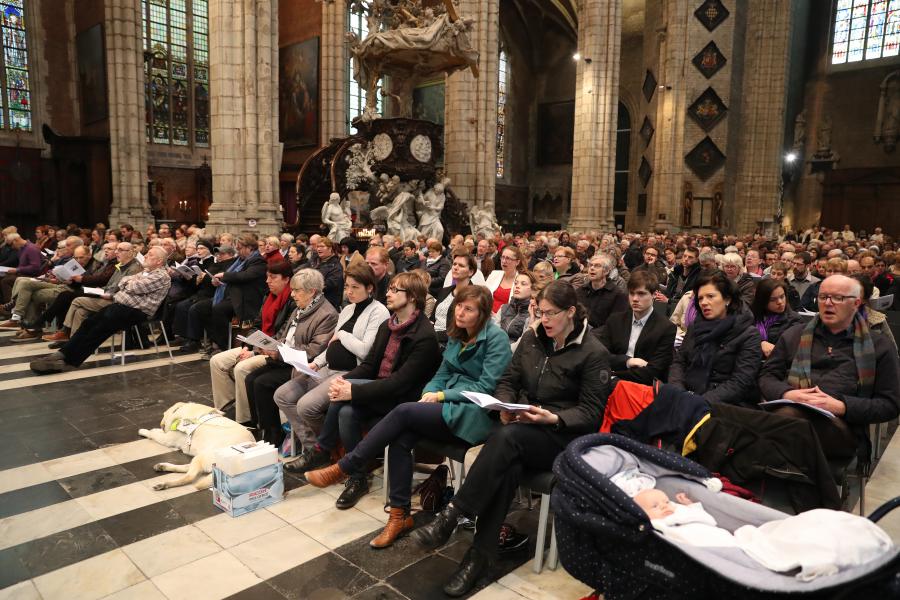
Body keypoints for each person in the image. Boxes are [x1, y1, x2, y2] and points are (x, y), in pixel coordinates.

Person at [408, 281, 612, 597]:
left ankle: (453, 515)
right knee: (507, 466)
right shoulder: (533, 340)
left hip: (563, 437)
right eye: (539, 312)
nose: (544, 319)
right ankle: (477, 560)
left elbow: (590, 413)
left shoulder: (593, 352)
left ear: (571, 312)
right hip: (525, 427)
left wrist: (553, 417)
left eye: (551, 313)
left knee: (508, 439)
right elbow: (507, 381)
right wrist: (503, 406)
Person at [305, 286, 512, 542]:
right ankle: (399, 514)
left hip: (473, 412)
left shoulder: (496, 338)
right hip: (443, 404)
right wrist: (431, 392)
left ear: (483, 314)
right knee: (401, 437)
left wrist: (442, 396)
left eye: (468, 309)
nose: (460, 312)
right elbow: (442, 373)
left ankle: (347, 466)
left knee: (403, 412)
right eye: (458, 306)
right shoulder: (458, 334)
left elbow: (486, 387)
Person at [292, 271, 441, 506]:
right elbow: (370, 366)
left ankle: (323, 448)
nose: (388, 293)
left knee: (343, 397)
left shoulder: (424, 336)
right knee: (346, 410)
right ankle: (358, 477)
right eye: (389, 288)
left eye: (395, 290)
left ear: (412, 297)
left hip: (403, 400)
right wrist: (345, 382)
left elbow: (400, 383)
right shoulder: (388, 325)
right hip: (379, 392)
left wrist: (352, 390)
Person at [760, 274, 900, 460]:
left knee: (784, 421)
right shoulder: (794, 335)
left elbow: (890, 404)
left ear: (856, 303)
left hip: (843, 427)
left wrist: (841, 406)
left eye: (838, 298)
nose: (828, 303)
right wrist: (787, 394)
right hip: (789, 415)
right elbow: (767, 376)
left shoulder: (879, 346)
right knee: (787, 418)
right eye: (823, 296)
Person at [275, 264, 389, 470]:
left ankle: (327, 449)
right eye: (347, 287)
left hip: (352, 371)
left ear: (370, 288)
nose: (349, 292)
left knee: (306, 406)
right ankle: (313, 448)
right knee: (282, 395)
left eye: (355, 287)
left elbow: (364, 352)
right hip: (328, 367)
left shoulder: (379, 312)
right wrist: (315, 363)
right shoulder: (347, 309)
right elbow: (331, 346)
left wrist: (343, 335)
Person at [30, 247, 172, 374]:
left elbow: (133, 287)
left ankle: (69, 361)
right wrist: (128, 284)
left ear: (159, 261)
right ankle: (63, 354)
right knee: (89, 323)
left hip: (137, 311)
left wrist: (128, 285)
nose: (145, 255)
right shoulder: (146, 271)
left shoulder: (162, 275)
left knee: (99, 329)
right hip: (122, 305)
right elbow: (124, 281)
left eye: (150, 255)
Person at [247, 269, 340, 444]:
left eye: (297, 290)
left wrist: (280, 352)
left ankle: (274, 434)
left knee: (262, 383)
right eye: (292, 290)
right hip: (285, 358)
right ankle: (263, 428)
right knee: (251, 378)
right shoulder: (301, 308)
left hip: (303, 365)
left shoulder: (327, 314)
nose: (292, 294)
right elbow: (285, 333)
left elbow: (315, 350)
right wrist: (269, 345)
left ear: (312, 291)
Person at [209, 261, 296, 425]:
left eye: (273, 277)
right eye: (267, 277)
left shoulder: (292, 301)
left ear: (287, 279)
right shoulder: (268, 296)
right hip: (257, 345)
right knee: (217, 361)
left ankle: (246, 418)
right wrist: (248, 346)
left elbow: (283, 334)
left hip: (273, 351)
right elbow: (256, 324)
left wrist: (254, 351)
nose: (268, 281)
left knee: (242, 368)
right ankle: (228, 406)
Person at [668, 271, 762, 406]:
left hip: (722, 404)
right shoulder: (696, 326)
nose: (704, 303)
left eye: (710, 296)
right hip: (686, 396)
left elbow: (740, 381)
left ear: (728, 299)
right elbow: (679, 362)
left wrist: (699, 402)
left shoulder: (748, 334)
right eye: (700, 298)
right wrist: (678, 391)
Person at [597, 270, 676, 385]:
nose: (634, 299)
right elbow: (601, 357)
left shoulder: (666, 328)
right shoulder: (615, 320)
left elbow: (653, 372)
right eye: (631, 293)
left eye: (641, 294)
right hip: (610, 383)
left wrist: (614, 374)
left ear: (654, 295)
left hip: (642, 388)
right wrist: (628, 361)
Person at [751, 278, 803, 359]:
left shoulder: (794, 320)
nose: (780, 302)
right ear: (762, 301)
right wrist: (760, 344)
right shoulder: (752, 316)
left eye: (782, 297)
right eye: (772, 299)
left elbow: (792, 352)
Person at [433, 251, 479, 343]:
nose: (455, 267)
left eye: (461, 266)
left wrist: (431, 335)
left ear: (470, 272)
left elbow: (461, 331)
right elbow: (432, 318)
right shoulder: (445, 291)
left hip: (450, 342)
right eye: (454, 264)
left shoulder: (473, 296)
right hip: (433, 336)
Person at [576, 253, 627, 329]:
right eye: (590, 265)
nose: (592, 268)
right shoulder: (580, 291)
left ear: (606, 271)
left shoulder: (618, 295)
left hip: (601, 337)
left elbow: (615, 324)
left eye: (597, 266)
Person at [487, 245, 527, 314]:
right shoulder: (494, 274)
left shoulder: (522, 281)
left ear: (517, 262)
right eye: (503, 257)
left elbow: (520, 308)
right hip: (487, 314)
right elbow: (484, 295)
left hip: (506, 318)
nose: (504, 261)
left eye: (508, 258)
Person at [498, 271, 534, 343]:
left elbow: (525, 342)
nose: (517, 286)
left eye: (523, 284)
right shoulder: (503, 308)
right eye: (516, 283)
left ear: (533, 289)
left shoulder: (532, 314)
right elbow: (494, 334)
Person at [315, 236, 345, 309]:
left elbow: (329, 284)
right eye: (318, 246)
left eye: (322, 246)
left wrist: (311, 286)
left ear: (330, 248)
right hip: (316, 301)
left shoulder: (336, 266)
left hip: (328, 304)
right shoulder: (316, 261)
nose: (319, 249)